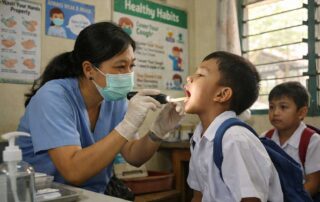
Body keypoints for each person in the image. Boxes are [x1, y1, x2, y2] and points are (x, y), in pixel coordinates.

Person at [17, 21, 183, 194]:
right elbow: (73, 171)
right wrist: (127, 126)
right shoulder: (52, 97)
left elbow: (134, 156)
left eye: (131, 66)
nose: (128, 75)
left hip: (93, 194)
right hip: (46, 195)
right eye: (120, 66)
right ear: (89, 69)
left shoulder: (115, 100)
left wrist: (157, 131)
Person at [184, 51, 283, 202]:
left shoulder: (234, 139)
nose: (189, 78)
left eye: (201, 75)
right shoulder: (199, 138)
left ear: (222, 94)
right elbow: (198, 196)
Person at [262, 81, 320, 198]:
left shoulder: (312, 141)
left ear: (301, 112)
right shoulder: (264, 138)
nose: (275, 113)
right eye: (271, 107)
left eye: (283, 107)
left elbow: (314, 184)